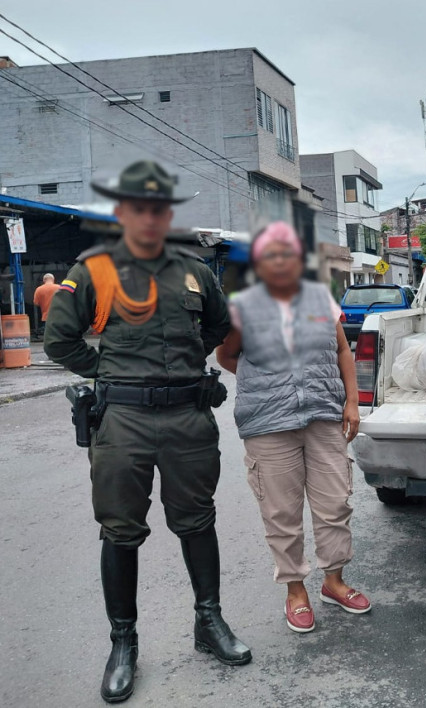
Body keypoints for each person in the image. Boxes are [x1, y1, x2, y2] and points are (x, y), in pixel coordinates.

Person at [44, 161, 251, 704]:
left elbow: (218, 324)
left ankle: (209, 621)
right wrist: (111, 372)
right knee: (120, 530)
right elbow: (60, 340)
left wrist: (185, 366)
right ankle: (123, 643)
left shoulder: (194, 270)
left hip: (187, 418)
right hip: (124, 421)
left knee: (197, 520)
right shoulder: (93, 270)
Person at [216, 221, 369, 635]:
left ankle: (334, 582)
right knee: (281, 512)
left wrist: (351, 401)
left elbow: (342, 350)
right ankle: (296, 590)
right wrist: (269, 386)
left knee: (335, 503)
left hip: (324, 415)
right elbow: (227, 356)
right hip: (269, 424)